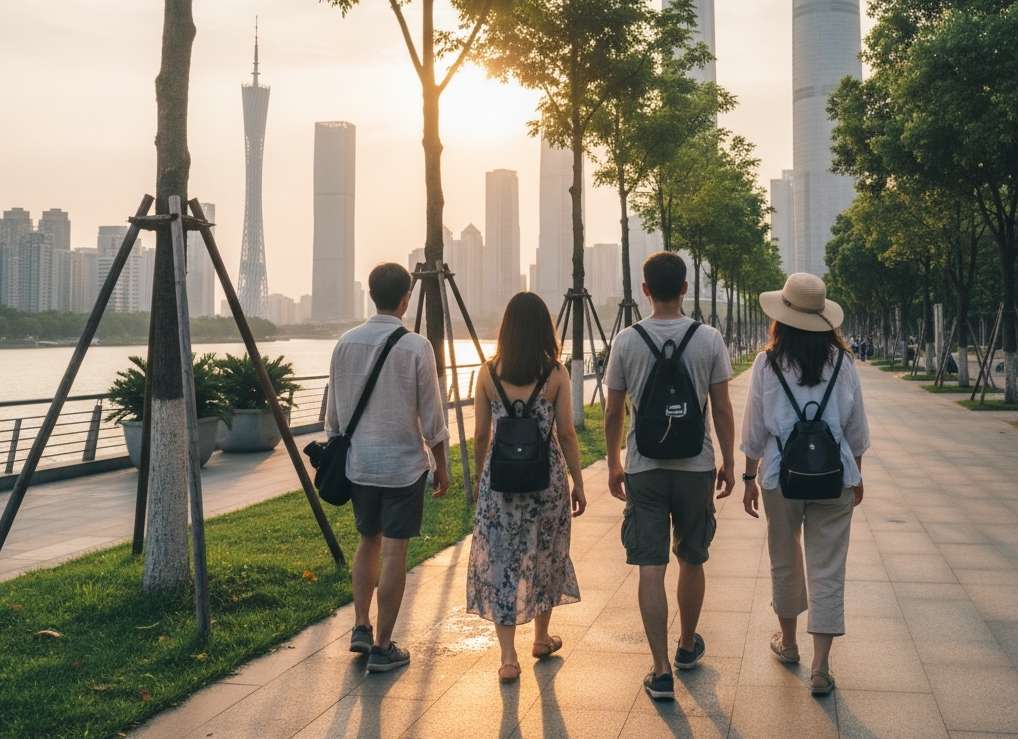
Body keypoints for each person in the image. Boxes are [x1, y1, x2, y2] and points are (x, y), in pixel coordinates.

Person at [604, 252, 736, 702]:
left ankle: (660, 671)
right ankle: (685, 645)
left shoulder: (626, 340)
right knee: (692, 558)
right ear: (685, 288)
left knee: (650, 566)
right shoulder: (709, 339)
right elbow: (721, 408)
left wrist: (612, 462)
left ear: (644, 289)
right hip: (696, 467)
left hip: (644, 468)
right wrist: (731, 461)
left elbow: (612, 410)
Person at [740, 272, 869, 697]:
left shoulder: (767, 362)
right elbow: (856, 430)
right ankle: (821, 667)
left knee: (784, 558)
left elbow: (755, 428)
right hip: (835, 477)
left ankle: (789, 643)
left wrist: (747, 476)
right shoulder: (844, 363)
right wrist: (857, 475)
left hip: (780, 476)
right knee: (828, 568)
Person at [325, 262, 450, 674]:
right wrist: (442, 466)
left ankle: (360, 625)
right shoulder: (416, 347)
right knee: (395, 550)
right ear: (405, 298)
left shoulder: (345, 343)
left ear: (370, 293)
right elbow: (432, 416)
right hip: (403, 467)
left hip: (359, 465)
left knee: (367, 542)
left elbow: (334, 418)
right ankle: (382, 646)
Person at [467, 292, 586, 683]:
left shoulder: (487, 373)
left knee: (502, 561)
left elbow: (481, 434)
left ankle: (507, 658)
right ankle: (540, 637)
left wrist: (481, 479)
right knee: (545, 554)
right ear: (543, 329)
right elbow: (567, 433)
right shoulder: (555, 374)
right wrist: (578, 481)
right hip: (545, 481)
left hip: (499, 484)